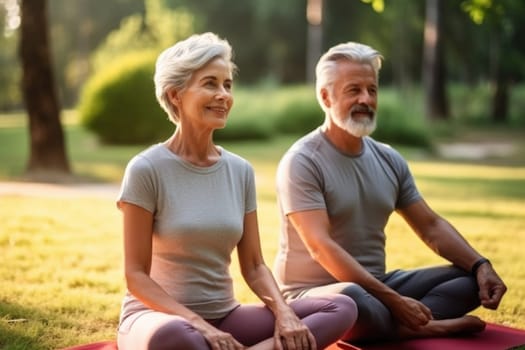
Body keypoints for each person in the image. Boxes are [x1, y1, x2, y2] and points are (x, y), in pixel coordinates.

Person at [115, 32, 358, 350]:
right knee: (175, 339)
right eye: (210, 83)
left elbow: (255, 265)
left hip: (225, 317)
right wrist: (199, 325)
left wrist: (284, 312)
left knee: (341, 307)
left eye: (227, 85)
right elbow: (136, 276)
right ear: (175, 95)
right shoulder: (146, 169)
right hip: (158, 318)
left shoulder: (239, 170)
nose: (224, 95)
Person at [273, 41, 507, 344]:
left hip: (377, 285)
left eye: (372, 90)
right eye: (353, 90)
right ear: (325, 97)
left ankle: (397, 327)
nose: (366, 99)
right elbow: (321, 246)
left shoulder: (388, 158)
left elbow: (430, 226)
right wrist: (395, 301)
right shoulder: (302, 161)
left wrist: (481, 265)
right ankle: (419, 325)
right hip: (315, 294)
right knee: (352, 300)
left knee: (467, 280)